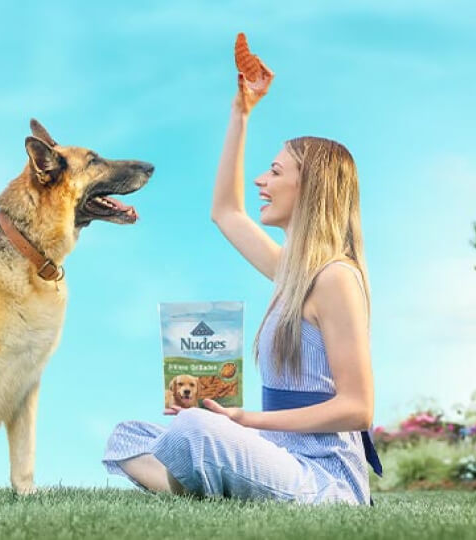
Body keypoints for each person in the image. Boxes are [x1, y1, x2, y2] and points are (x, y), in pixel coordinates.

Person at [102, 58, 381, 505]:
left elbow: (358, 408)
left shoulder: (336, 278)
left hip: (325, 479)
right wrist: (242, 111)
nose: (261, 180)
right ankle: (208, 479)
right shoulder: (294, 273)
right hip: (274, 455)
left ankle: (202, 481)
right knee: (126, 436)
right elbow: (226, 212)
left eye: (274, 171)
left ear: (309, 188)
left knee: (194, 429)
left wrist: (245, 421)